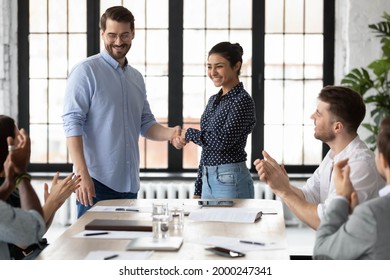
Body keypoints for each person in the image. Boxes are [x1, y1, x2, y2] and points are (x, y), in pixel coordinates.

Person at [62, 6, 181, 218]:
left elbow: (146, 124)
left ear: (133, 34)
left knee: (125, 248)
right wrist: (82, 174)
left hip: (129, 184)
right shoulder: (86, 71)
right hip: (95, 183)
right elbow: (72, 124)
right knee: (91, 248)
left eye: (124, 35)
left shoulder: (136, 78)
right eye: (112, 35)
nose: (118, 41)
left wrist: (171, 133)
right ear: (102, 34)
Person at [254, 86, 384, 229]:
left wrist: (283, 191)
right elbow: (308, 196)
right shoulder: (333, 155)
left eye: (318, 114)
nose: (312, 117)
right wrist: (280, 183)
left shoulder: (360, 164)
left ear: (337, 127)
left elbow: (326, 222)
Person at [174, 42, 256, 199]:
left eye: (219, 66)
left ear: (236, 66)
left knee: (230, 225)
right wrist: (198, 188)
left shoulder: (242, 100)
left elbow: (222, 141)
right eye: (209, 66)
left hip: (230, 180)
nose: (213, 72)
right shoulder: (213, 100)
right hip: (207, 180)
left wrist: (189, 133)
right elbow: (207, 148)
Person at [0, 115, 81, 259]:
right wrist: (52, 202)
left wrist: (53, 205)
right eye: (18, 135)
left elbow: (37, 231)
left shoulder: (9, 183)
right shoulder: (11, 183)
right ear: (8, 145)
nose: (23, 141)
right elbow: (23, 239)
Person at [313, 116, 390, 259]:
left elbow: (322, 254)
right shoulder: (330, 157)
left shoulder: (371, 214)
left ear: (383, 161)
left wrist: (341, 198)